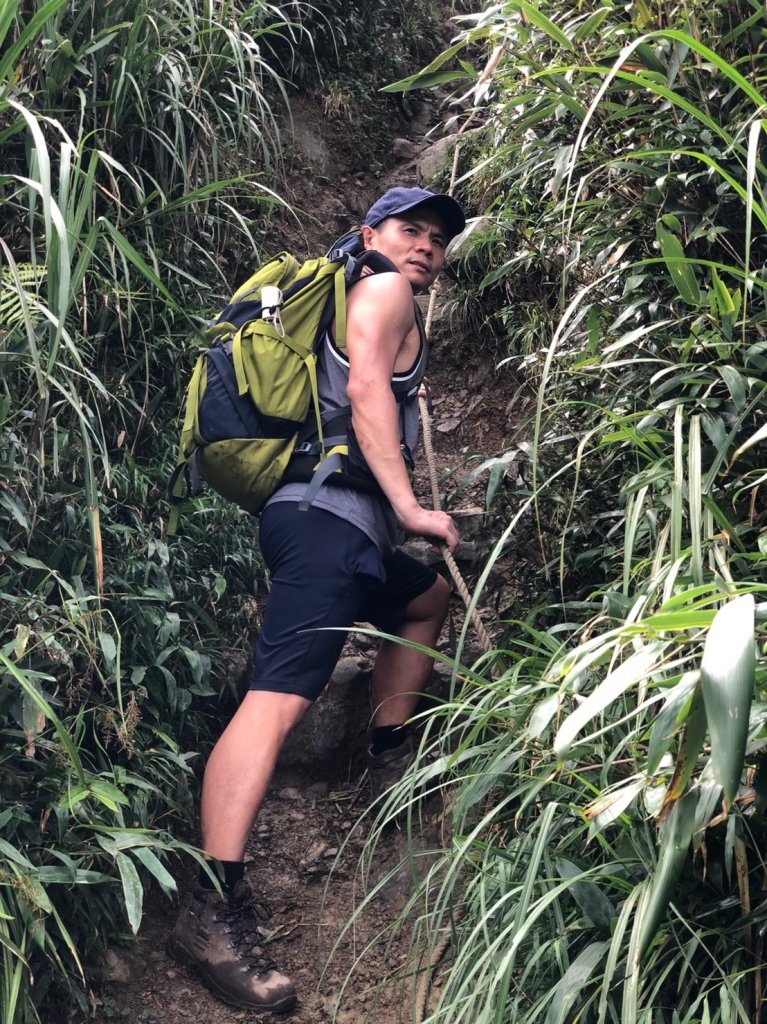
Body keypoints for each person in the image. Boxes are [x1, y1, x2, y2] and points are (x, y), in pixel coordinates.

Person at [168, 186, 466, 1014]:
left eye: (438, 240)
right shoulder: (381, 289)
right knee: (275, 704)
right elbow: (368, 390)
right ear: (369, 234)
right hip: (328, 525)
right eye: (411, 229)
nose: (426, 247)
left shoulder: (359, 292)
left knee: (425, 598)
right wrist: (409, 508)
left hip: (331, 528)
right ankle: (211, 911)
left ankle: (386, 755)